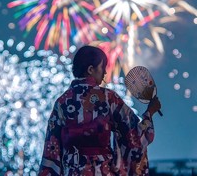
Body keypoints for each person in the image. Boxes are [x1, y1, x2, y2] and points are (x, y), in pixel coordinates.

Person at [38, 45, 161, 176]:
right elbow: (135, 136)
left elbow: (51, 150)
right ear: (91, 69)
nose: (105, 73)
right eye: (102, 67)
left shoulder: (62, 102)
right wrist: (149, 113)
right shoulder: (108, 98)